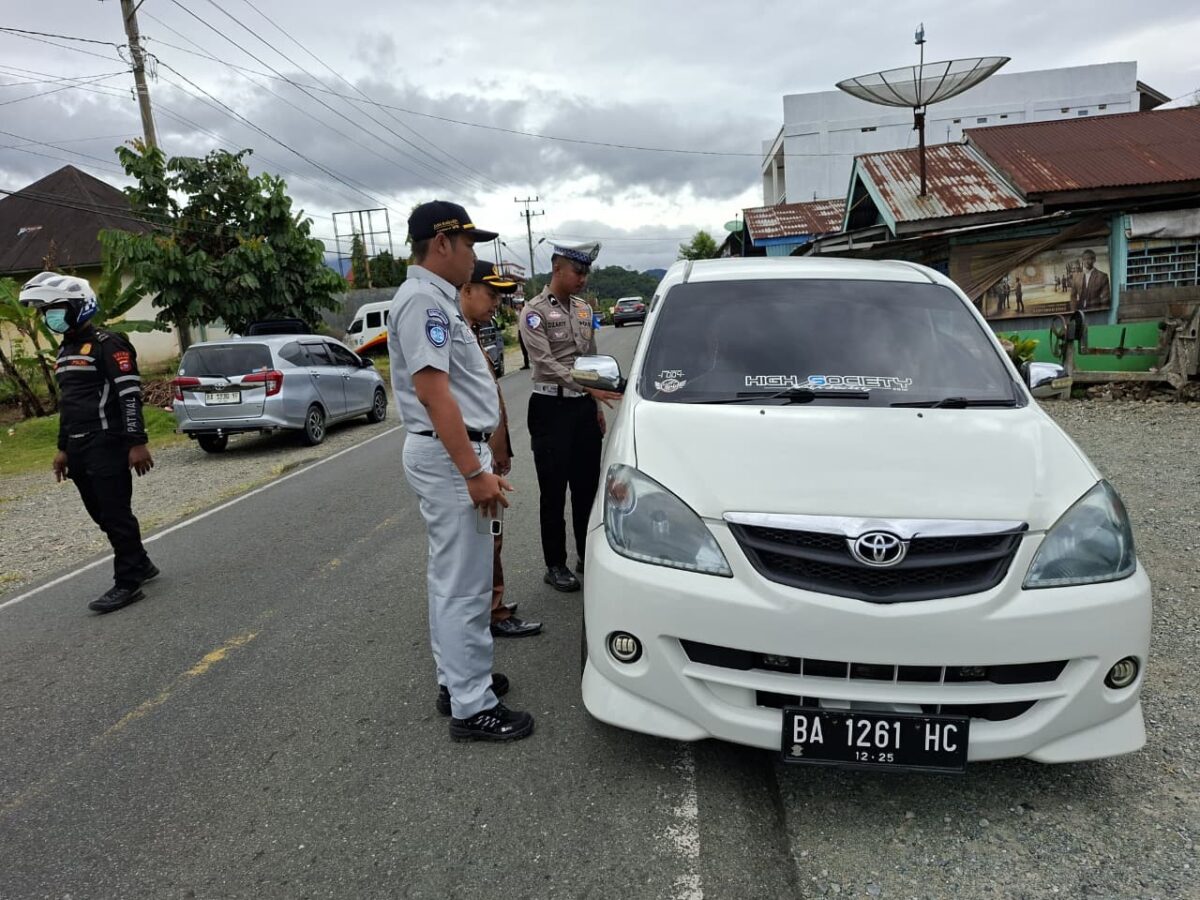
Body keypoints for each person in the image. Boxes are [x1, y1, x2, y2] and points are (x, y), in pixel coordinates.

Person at [387, 200, 533, 743]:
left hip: (453, 456)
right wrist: (473, 472)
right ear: (442, 242)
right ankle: (473, 706)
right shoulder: (424, 302)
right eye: (470, 244)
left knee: (452, 580)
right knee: (465, 587)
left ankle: (459, 680)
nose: (474, 256)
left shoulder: (436, 299)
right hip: (452, 460)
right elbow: (434, 394)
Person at [19, 272, 157, 614]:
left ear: (80, 307)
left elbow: (129, 395)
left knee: (116, 513)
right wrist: (62, 448)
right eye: (46, 311)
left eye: (56, 309)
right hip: (78, 446)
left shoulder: (108, 344)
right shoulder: (65, 349)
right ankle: (140, 562)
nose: (49, 317)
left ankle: (128, 582)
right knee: (100, 514)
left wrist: (136, 442)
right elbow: (68, 405)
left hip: (107, 442)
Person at [518, 240, 622, 592]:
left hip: (582, 408)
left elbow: (590, 360)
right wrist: (589, 390)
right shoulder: (534, 312)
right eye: (577, 271)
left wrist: (595, 405)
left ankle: (586, 554)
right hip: (550, 408)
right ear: (557, 269)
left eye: (586, 273)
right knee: (553, 491)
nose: (583, 279)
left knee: (586, 488)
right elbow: (545, 363)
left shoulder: (582, 309)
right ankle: (555, 564)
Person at [460, 260, 542, 638]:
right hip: (473, 457)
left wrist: (502, 449)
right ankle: (491, 612)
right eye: (491, 294)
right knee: (486, 536)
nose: (496, 302)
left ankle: (492, 601)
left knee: (491, 533)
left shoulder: (473, 333)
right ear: (466, 290)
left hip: (487, 453)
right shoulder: (457, 336)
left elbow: (490, 400)